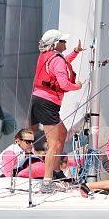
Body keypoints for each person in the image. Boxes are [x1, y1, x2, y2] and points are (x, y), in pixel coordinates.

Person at [30, 29, 83, 193]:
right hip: (47, 103)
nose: (65, 44)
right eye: (63, 41)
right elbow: (64, 84)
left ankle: (56, 172)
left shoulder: (50, 56)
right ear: (55, 44)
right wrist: (78, 86)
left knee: (62, 133)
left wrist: (75, 52)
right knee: (53, 144)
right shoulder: (55, 59)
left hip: (40, 100)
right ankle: (47, 182)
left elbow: (63, 63)